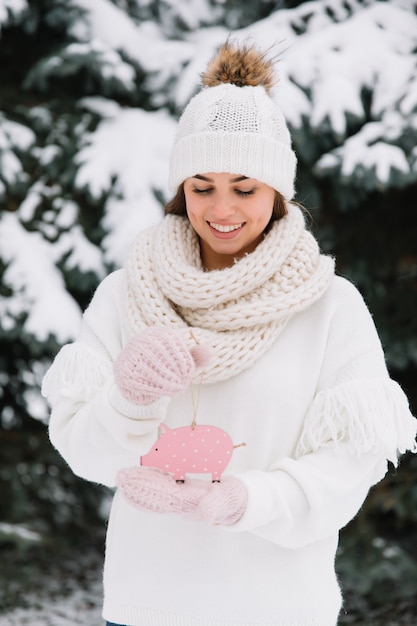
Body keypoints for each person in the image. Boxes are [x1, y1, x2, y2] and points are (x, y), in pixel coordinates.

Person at [42, 40, 417, 626]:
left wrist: (244, 500)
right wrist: (128, 397)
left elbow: (350, 466)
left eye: (245, 188)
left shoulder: (329, 307)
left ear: (278, 191)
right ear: (180, 188)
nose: (222, 208)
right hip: (145, 609)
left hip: (279, 610)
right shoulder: (125, 296)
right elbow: (85, 454)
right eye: (201, 186)